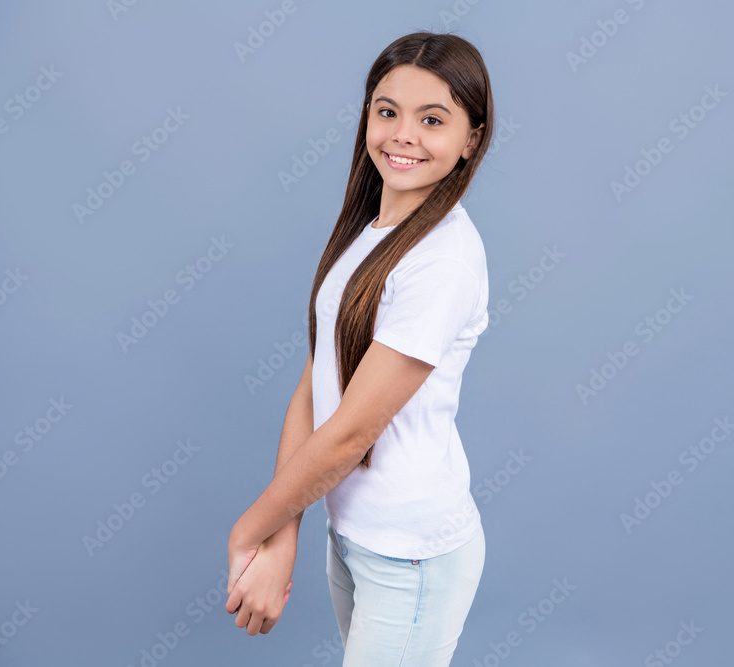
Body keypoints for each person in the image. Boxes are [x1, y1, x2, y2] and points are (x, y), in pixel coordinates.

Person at [225, 30, 495, 666]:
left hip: (412, 551)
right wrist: (283, 532)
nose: (403, 134)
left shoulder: (443, 261)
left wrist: (250, 529)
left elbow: (350, 433)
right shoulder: (371, 229)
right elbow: (320, 379)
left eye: (433, 119)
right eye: (387, 111)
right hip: (354, 536)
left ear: (471, 140)